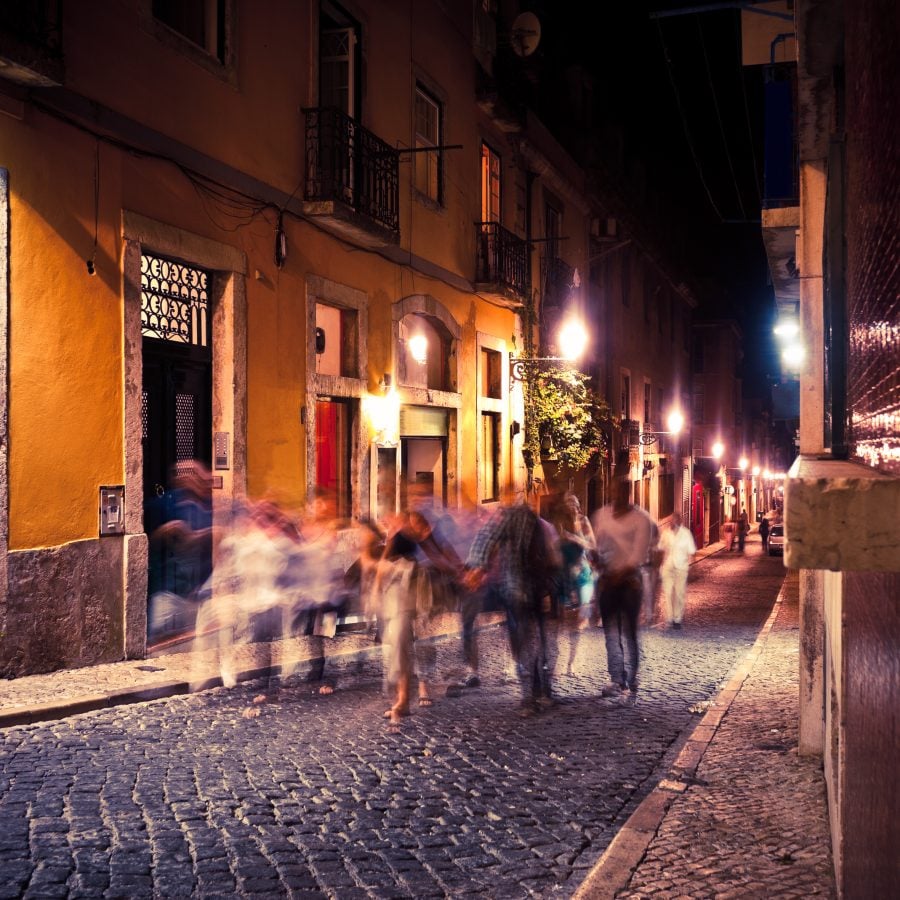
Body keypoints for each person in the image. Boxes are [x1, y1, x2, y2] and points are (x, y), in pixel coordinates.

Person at [463, 488, 553, 716]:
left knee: (523, 639)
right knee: (537, 638)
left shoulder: (512, 517)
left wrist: (475, 568)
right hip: (534, 587)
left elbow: (486, 539)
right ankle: (543, 690)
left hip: (517, 587)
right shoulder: (535, 519)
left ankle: (530, 696)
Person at [591, 475, 654, 699]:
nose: (617, 493)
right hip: (608, 582)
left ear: (629, 492)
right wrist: (595, 560)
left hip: (629, 585)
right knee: (610, 633)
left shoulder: (641, 519)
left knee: (629, 633)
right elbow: (598, 547)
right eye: (614, 488)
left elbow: (638, 555)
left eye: (622, 489)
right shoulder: (601, 516)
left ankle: (632, 676)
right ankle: (616, 679)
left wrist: (618, 574)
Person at [658, 511, 697, 630]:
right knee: (668, 592)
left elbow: (692, 551)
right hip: (668, 567)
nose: (671, 522)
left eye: (674, 520)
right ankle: (669, 618)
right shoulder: (666, 533)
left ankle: (677, 619)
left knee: (679, 593)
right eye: (670, 520)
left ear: (679, 521)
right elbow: (660, 548)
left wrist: (691, 566)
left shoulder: (686, 533)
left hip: (681, 567)